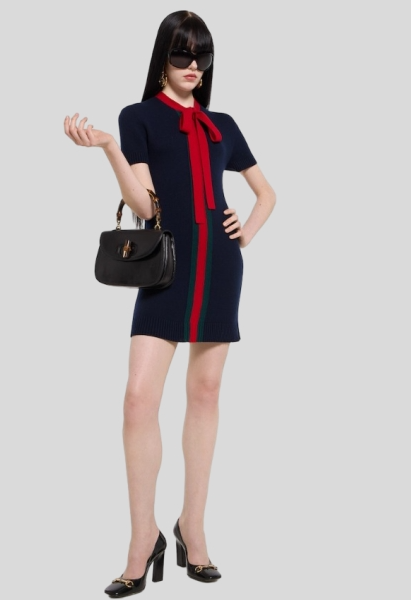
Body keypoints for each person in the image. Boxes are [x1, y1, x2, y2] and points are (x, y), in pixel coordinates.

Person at [64, 10, 276, 597]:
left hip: (221, 268)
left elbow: (267, 193)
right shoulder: (137, 117)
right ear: (163, 57)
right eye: (183, 54)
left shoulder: (222, 124)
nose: (193, 66)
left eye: (202, 56)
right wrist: (109, 148)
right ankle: (143, 538)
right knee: (138, 399)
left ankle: (193, 529)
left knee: (205, 395)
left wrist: (247, 230)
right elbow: (145, 203)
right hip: (168, 269)